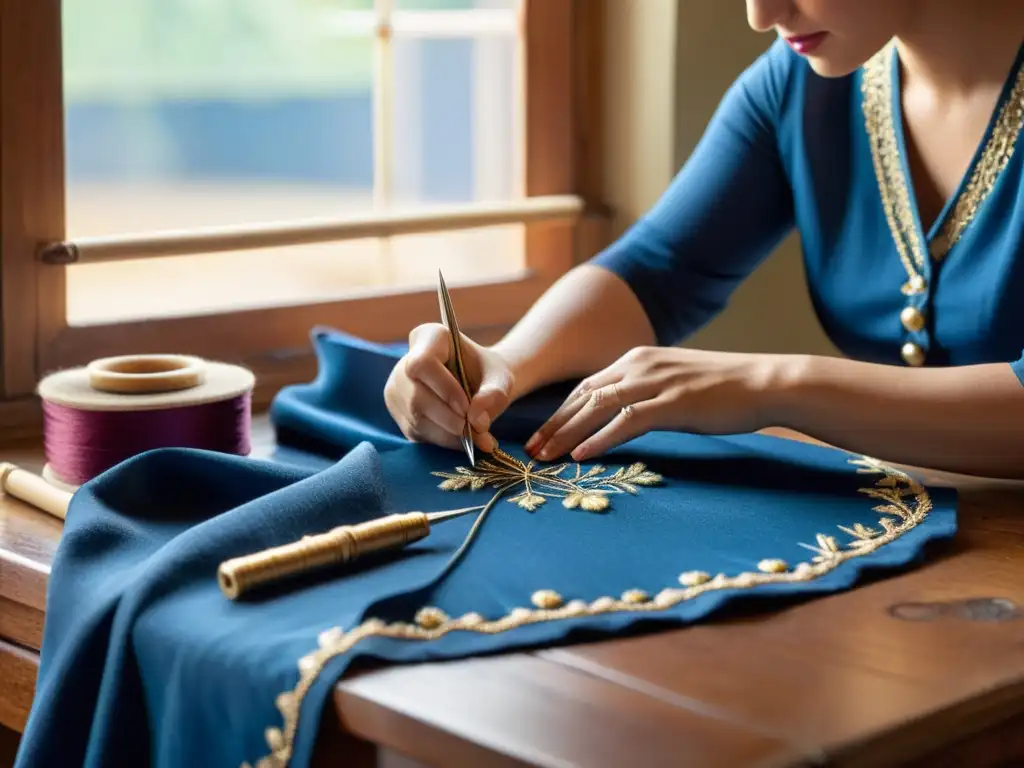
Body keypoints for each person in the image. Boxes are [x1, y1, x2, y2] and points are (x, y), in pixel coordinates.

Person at [385, 0, 1024, 480]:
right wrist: (507, 364)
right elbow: (659, 269)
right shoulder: (798, 86)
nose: (759, 13)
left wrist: (773, 385)